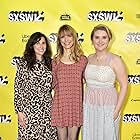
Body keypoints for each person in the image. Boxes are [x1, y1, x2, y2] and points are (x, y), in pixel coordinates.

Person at [83, 24, 128, 140]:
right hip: (89, 106)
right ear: (92, 40)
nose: (100, 41)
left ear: (109, 40)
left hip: (108, 106)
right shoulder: (88, 58)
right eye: (97, 37)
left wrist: (117, 110)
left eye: (104, 37)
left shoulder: (115, 60)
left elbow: (124, 85)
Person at [14, 32, 58, 140]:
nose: (41, 46)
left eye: (43, 43)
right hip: (28, 110)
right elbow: (18, 88)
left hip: (47, 109)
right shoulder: (23, 63)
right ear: (32, 45)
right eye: (37, 43)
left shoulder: (51, 63)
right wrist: (19, 111)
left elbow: (55, 83)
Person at [51, 24, 87, 140]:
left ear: (74, 38)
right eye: (62, 37)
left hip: (75, 106)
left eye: (69, 36)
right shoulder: (55, 61)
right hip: (60, 105)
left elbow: (89, 81)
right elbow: (51, 84)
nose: (66, 39)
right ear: (59, 41)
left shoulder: (82, 60)